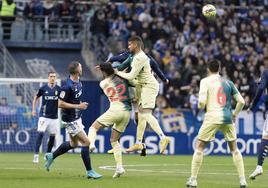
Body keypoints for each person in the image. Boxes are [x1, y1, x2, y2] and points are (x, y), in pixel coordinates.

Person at [186, 60, 247, 188]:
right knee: (234, 149)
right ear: (219, 69)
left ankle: (193, 179)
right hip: (227, 118)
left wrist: (199, 104)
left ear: (208, 69)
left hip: (212, 117)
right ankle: (242, 180)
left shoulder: (205, 81)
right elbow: (241, 101)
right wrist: (234, 115)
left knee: (200, 146)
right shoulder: (228, 82)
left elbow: (202, 103)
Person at [44, 61, 102, 179]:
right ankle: (90, 171)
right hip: (70, 119)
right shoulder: (67, 86)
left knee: (73, 143)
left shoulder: (79, 82)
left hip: (76, 117)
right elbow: (60, 104)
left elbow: (73, 100)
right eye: (80, 67)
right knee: (86, 142)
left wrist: (79, 104)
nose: (82, 68)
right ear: (77, 70)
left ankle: (52, 156)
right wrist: (78, 106)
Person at [114, 36, 170, 154]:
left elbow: (130, 76)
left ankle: (163, 138)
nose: (128, 47)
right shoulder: (133, 57)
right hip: (142, 86)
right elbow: (122, 64)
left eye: (130, 45)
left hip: (149, 86)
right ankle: (139, 143)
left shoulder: (140, 58)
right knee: (141, 114)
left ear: (136, 45)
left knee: (145, 114)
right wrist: (109, 67)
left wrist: (117, 72)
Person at [88, 63, 131, 178]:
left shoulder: (102, 83)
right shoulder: (122, 77)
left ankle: (91, 144)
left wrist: (104, 68)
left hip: (115, 109)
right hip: (127, 112)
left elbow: (108, 75)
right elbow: (119, 72)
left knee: (93, 127)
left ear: (103, 72)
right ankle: (119, 167)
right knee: (114, 140)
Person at [32, 71, 61, 163]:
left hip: (54, 117)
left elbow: (63, 101)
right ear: (48, 78)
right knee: (40, 134)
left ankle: (47, 154)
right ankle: (36, 155)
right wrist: (33, 109)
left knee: (52, 137)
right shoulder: (43, 88)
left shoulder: (59, 89)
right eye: (51, 76)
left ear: (55, 78)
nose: (52, 78)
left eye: (54, 76)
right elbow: (36, 98)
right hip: (44, 116)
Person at [249, 56, 268, 180]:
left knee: (265, 137)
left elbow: (261, 88)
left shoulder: (266, 72)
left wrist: (252, 105)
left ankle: (259, 166)